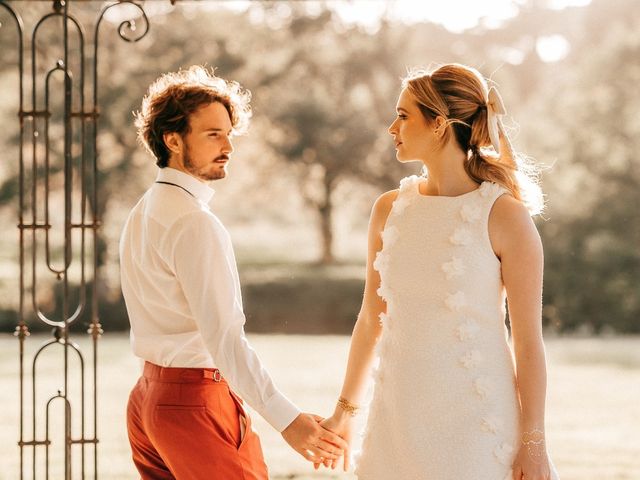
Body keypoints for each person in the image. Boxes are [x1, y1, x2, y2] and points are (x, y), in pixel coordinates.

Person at [320, 63, 560, 480]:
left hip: (475, 424)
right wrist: (344, 412)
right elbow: (369, 320)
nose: (391, 127)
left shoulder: (505, 216)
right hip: (397, 419)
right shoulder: (389, 209)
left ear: (438, 125)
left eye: (402, 114)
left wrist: (534, 444)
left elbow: (528, 344)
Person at [119, 65, 347, 480]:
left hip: (147, 400)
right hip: (192, 401)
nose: (228, 146)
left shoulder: (143, 210)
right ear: (172, 139)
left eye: (229, 133)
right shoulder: (194, 222)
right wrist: (288, 420)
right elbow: (224, 338)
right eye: (212, 134)